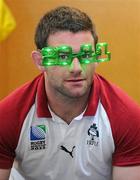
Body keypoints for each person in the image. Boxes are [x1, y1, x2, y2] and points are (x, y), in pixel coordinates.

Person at [0, 6, 140, 180]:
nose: (76, 68)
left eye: (86, 54)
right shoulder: (7, 116)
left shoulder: (127, 116)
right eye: (63, 56)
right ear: (40, 61)